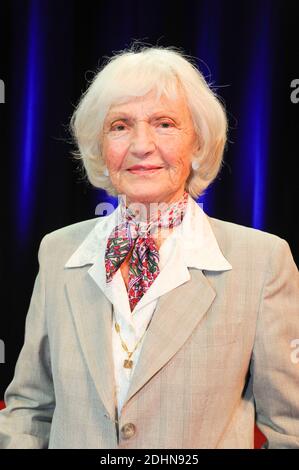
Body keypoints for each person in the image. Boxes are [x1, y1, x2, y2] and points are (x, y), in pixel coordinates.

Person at [0, 45, 298, 449]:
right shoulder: (57, 252)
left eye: (164, 124)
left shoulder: (263, 261)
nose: (141, 145)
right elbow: (30, 410)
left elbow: (291, 428)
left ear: (197, 143)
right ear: (101, 146)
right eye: (120, 126)